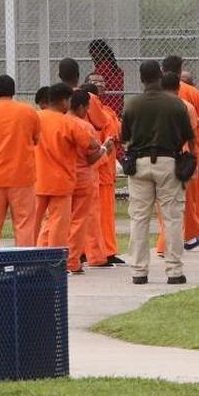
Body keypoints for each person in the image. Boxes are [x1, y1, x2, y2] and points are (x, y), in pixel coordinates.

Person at [122, 60, 197, 285]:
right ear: (160, 76)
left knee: (139, 218)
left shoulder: (132, 104)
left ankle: (139, 271)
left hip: (139, 163)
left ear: (141, 79)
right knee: (172, 217)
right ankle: (174, 271)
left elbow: (124, 137)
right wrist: (192, 159)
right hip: (168, 161)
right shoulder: (175, 104)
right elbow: (189, 137)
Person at [34, 83, 108, 273]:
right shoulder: (71, 123)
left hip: (40, 178)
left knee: (44, 222)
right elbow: (91, 146)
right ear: (63, 101)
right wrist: (102, 148)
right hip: (68, 179)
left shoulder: (36, 118)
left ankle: (37, 257)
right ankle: (69, 261)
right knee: (72, 222)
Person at [0, 74, 40, 248]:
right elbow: (36, 139)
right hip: (22, 176)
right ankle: (24, 259)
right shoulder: (28, 112)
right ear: (13, 91)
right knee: (25, 224)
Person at [156, 71, 199, 254]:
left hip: (156, 156)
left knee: (162, 204)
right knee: (181, 202)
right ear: (178, 88)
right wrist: (193, 159)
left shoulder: (152, 106)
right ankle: (179, 240)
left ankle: (167, 242)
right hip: (180, 157)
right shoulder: (186, 107)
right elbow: (192, 137)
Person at [66, 90, 114, 273]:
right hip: (82, 177)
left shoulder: (54, 122)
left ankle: (48, 256)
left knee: (54, 220)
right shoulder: (84, 127)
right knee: (82, 220)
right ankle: (78, 259)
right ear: (82, 107)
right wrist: (104, 149)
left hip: (58, 177)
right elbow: (90, 157)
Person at [81, 78, 124, 265]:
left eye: (102, 81)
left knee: (97, 215)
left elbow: (117, 135)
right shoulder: (96, 116)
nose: (99, 84)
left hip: (99, 170)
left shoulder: (108, 112)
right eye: (94, 82)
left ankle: (96, 250)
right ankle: (102, 251)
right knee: (97, 215)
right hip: (97, 168)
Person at [88, 39, 125, 115]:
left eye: (93, 55)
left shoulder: (103, 68)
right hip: (117, 106)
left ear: (100, 53)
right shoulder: (115, 68)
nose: (93, 58)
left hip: (106, 106)